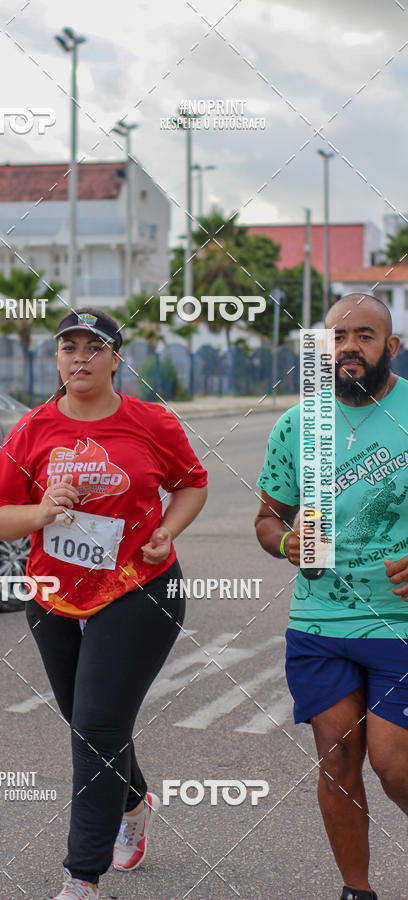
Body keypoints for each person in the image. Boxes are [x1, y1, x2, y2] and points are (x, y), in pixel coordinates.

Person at [0, 308, 208, 899]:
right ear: (56, 359)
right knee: (88, 725)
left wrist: (169, 531)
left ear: (115, 358)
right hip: (54, 595)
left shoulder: (149, 421)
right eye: (68, 347)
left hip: (140, 588)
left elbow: (192, 481)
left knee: (97, 727)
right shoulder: (31, 430)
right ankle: (133, 804)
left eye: (94, 347)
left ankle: (81, 877)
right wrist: (41, 511)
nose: (80, 357)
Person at [255, 294, 408, 900]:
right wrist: (286, 542)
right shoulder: (297, 424)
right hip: (320, 620)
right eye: (337, 337)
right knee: (338, 757)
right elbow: (267, 519)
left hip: (399, 621)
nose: (349, 347)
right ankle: (357, 891)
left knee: (394, 762)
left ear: (390, 347)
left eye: (365, 335)